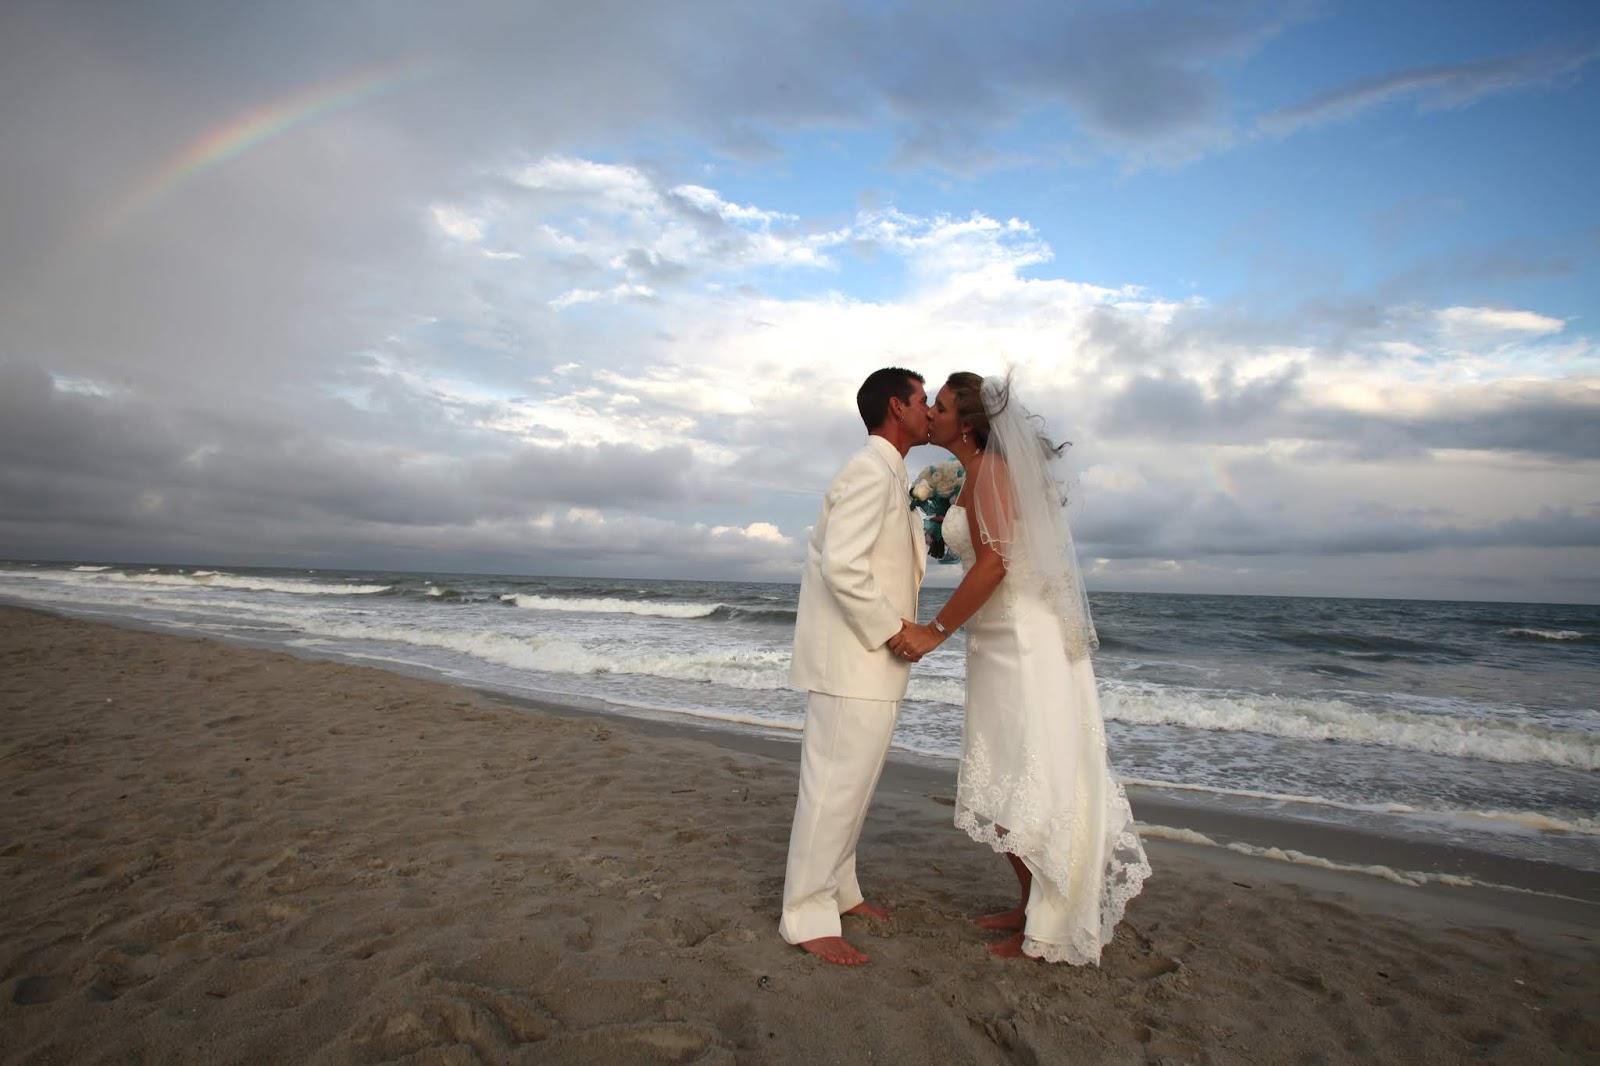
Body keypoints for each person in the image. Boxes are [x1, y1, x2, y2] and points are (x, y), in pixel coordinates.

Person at [890, 372, 1149, 964]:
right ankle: (1032, 899)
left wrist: (932, 632)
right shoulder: (967, 475)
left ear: (969, 424)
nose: (932, 412)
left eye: (944, 406)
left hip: (1023, 641)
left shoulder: (990, 473)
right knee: (1009, 768)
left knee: (1033, 766)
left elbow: (994, 564)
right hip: (997, 636)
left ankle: (1052, 923)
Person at [779, 367, 931, 966]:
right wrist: (895, 631)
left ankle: (839, 890)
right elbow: (842, 565)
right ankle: (804, 915)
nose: (928, 410)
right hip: (854, 660)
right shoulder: (868, 472)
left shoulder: (891, 475)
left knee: (854, 787)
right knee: (831, 790)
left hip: (871, 665)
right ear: (897, 407)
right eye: (923, 400)